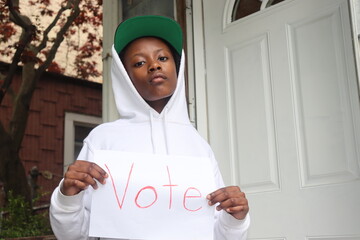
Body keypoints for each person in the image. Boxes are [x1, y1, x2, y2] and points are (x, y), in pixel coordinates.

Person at [49, 15, 250, 240]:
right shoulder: (103, 140)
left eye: (163, 57)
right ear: (124, 76)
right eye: (139, 62)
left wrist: (235, 219)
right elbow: (74, 235)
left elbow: (216, 233)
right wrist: (67, 198)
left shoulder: (198, 146)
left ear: (177, 66)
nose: (154, 65)